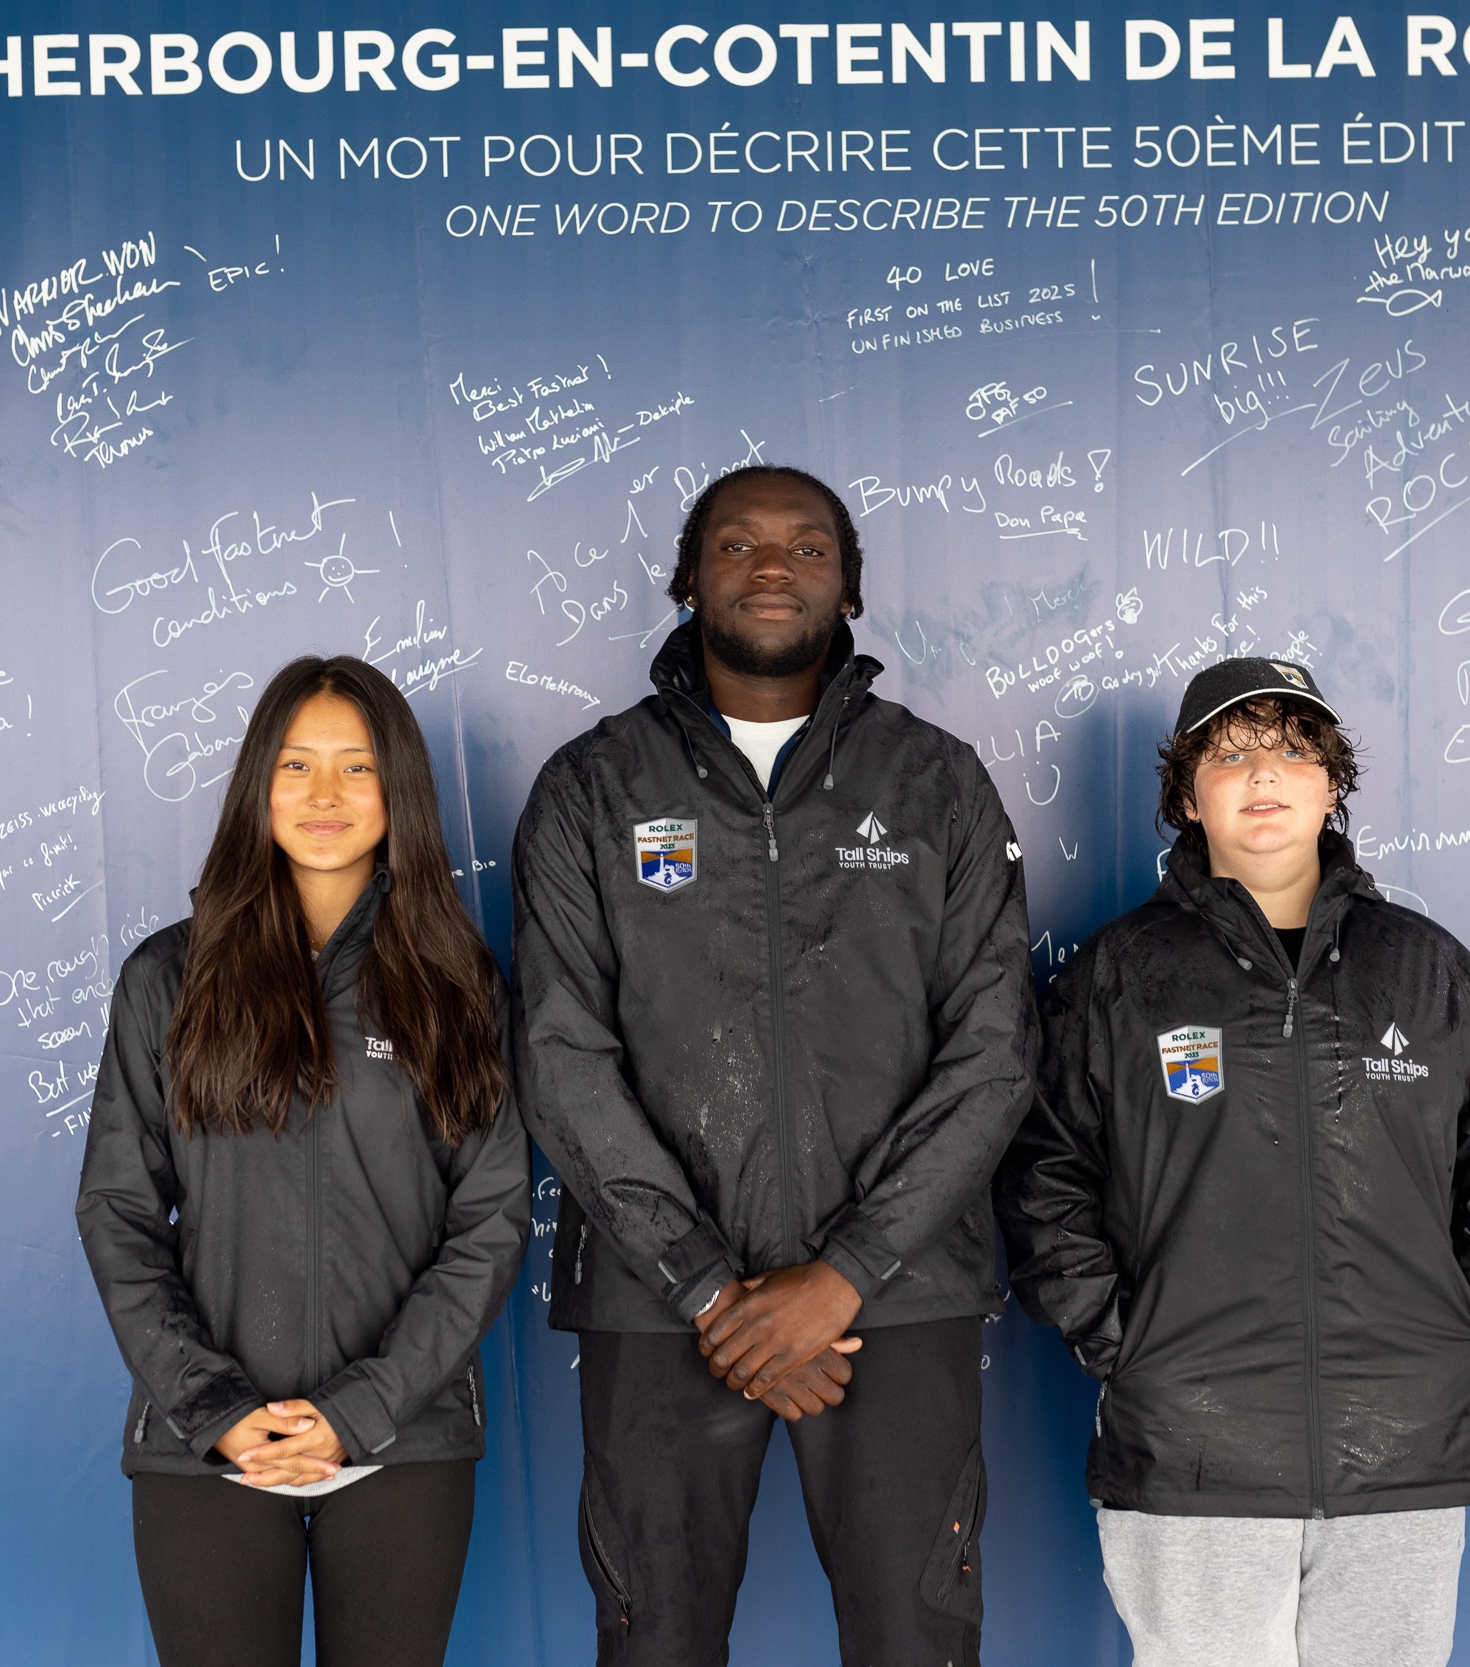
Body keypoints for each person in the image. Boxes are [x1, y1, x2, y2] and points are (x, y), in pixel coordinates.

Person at [512, 465, 1035, 1667]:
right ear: (686, 576)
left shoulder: (937, 782)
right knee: (657, 1643)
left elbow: (995, 1051)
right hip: (660, 1306)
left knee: (919, 1640)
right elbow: (558, 1053)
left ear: (847, 584)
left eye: (806, 547)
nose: (770, 566)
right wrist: (707, 1287)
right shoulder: (592, 788)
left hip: (891, 1305)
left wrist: (843, 1273)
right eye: (737, 543)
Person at [996, 657, 1470, 1667]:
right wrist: (1120, 1335)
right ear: (1185, 794)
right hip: (1191, 1442)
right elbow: (1043, 1167)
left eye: (1295, 751)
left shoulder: (1426, 968)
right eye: (1232, 752)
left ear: (1330, 785)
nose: (1265, 774)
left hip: (1401, 1438)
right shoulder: (1119, 974)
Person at [76, 655, 529, 1667]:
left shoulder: (457, 983)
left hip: (402, 1438)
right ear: (257, 786)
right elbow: (117, 1209)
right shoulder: (168, 977)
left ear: (397, 790)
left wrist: (362, 1407)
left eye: (356, 767)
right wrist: (219, 1409)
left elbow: (491, 1216)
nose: (324, 795)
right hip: (209, 1446)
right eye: (295, 765)